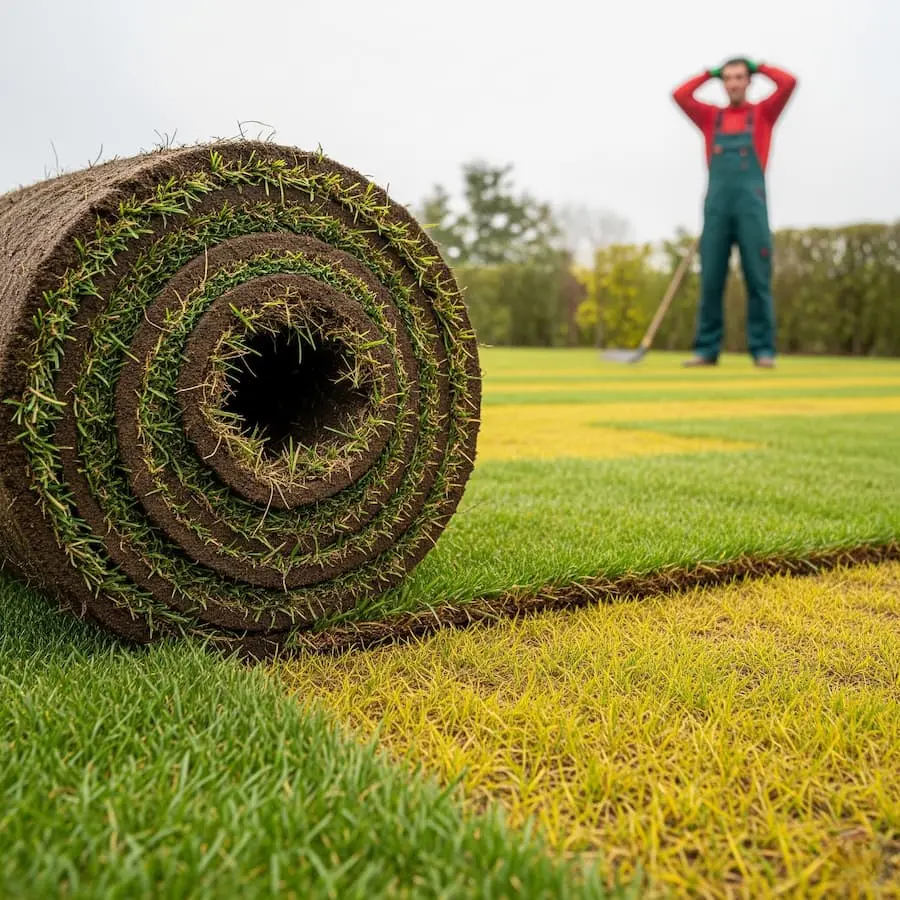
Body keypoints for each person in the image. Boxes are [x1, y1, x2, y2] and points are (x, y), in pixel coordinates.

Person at [673, 57, 797, 368]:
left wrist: (760, 66)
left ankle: (763, 350)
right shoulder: (709, 118)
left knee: (758, 278)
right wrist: (708, 73)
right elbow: (680, 95)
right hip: (716, 208)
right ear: (722, 82)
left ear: (748, 81)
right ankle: (706, 350)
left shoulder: (763, 114)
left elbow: (789, 83)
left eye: (740, 77)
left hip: (751, 207)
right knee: (711, 279)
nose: (733, 83)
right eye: (727, 78)